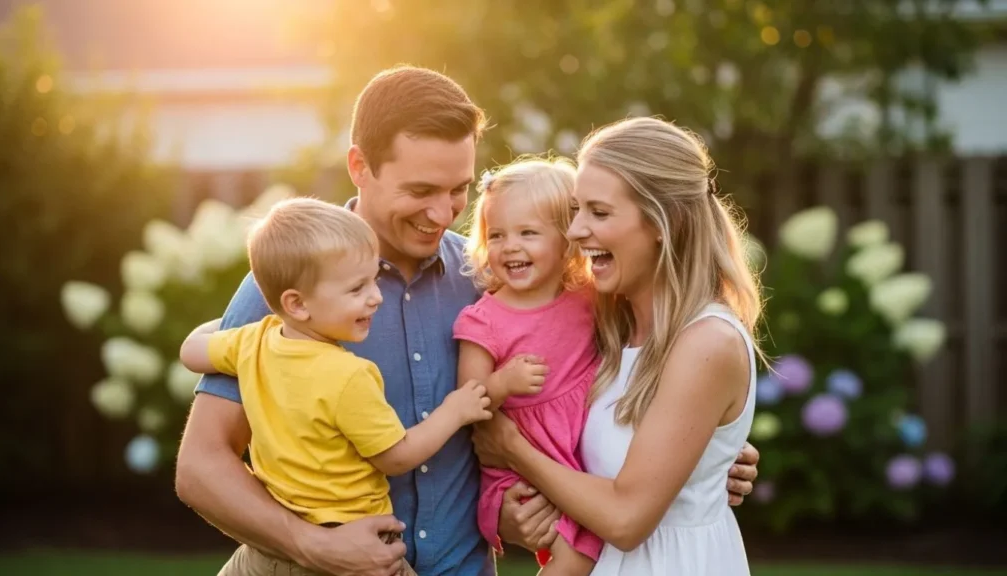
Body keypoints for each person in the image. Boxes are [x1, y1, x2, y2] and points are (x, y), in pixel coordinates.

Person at [173, 65, 761, 576]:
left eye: (458, 190)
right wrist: (313, 545)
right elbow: (201, 467)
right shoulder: (295, 289)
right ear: (359, 166)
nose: (441, 214)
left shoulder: (489, 283)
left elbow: (586, 390)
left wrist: (701, 458)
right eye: (421, 190)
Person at [471, 116, 763, 575]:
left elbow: (626, 520)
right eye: (576, 210)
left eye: (599, 213)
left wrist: (511, 447)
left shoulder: (707, 342)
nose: (575, 231)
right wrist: (510, 512)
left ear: (664, 221)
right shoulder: (605, 328)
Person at [177, 198, 493, 575]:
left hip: (269, 557)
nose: (376, 297)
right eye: (357, 289)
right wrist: (455, 410)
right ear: (297, 304)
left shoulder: (253, 342)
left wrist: (230, 323)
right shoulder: (349, 376)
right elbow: (396, 456)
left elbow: (191, 350)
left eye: (374, 280)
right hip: (355, 550)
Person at [453, 158, 602, 575]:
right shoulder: (483, 320)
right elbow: (467, 400)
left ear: (566, 240)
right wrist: (502, 383)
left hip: (575, 458)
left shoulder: (589, 300)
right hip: (517, 470)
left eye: (528, 233)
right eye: (496, 234)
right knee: (576, 556)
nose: (510, 246)